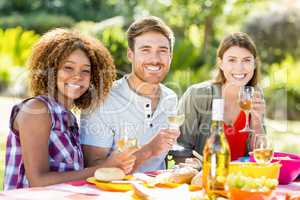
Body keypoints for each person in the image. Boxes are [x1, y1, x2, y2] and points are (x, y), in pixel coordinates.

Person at [4, 28, 136, 190]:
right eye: (68, 67)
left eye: (85, 71)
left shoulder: (69, 117)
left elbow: (73, 175)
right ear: (50, 70)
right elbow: (38, 181)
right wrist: (102, 168)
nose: (77, 76)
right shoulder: (37, 110)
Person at [80, 16, 180, 173]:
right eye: (145, 50)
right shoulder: (103, 99)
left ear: (170, 57)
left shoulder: (171, 98)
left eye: (162, 51)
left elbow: (168, 157)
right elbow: (94, 170)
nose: (154, 59)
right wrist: (148, 150)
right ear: (130, 54)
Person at [175, 32, 265, 163]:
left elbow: (260, 156)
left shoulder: (255, 95)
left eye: (246, 60)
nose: (239, 68)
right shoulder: (197, 95)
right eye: (232, 60)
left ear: (254, 64)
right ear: (221, 63)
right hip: (204, 179)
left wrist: (257, 123)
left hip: (241, 180)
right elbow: (180, 150)